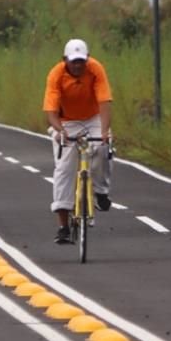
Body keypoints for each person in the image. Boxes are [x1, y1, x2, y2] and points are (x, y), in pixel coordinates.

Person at [43, 38, 114, 244]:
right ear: (65, 60)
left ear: (87, 59)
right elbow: (51, 111)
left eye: (81, 61)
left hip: (92, 118)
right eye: (73, 61)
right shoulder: (56, 74)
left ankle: (101, 192)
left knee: (102, 148)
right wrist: (60, 130)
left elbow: (105, 103)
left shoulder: (96, 69)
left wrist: (104, 131)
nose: (78, 65)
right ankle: (63, 225)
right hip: (66, 122)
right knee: (64, 168)